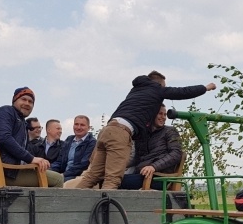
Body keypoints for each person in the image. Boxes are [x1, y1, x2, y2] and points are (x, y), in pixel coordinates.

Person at [76, 70, 215, 189]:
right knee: (112, 180)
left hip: (107, 129)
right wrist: (205, 88)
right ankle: (104, 216)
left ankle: (68, 203)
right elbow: (183, 92)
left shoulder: (136, 89)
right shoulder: (157, 89)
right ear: (159, 84)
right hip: (121, 132)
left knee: (92, 176)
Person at [0, 87, 63, 187]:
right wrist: (31, 159)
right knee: (58, 179)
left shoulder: (22, 121)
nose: (27, 103)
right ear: (14, 100)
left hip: (11, 170)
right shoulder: (6, 111)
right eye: (23, 99)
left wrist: (36, 161)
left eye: (30, 101)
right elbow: (4, 137)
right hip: (6, 172)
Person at [121, 104, 182, 190]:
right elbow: (136, 158)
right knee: (110, 178)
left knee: (118, 181)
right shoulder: (142, 135)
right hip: (142, 175)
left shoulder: (170, 131)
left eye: (165, 114)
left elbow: (176, 154)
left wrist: (154, 166)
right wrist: (118, 166)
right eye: (160, 114)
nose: (163, 117)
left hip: (159, 177)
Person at [52, 115, 96, 181]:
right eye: (76, 124)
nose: (78, 127)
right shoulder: (69, 140)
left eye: (82, 125)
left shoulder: (92, 143)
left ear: (89, 128)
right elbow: (60, 161)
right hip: (63, 174)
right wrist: (49, 170)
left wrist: (63, 175)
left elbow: (83, 165)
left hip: (79, 177)